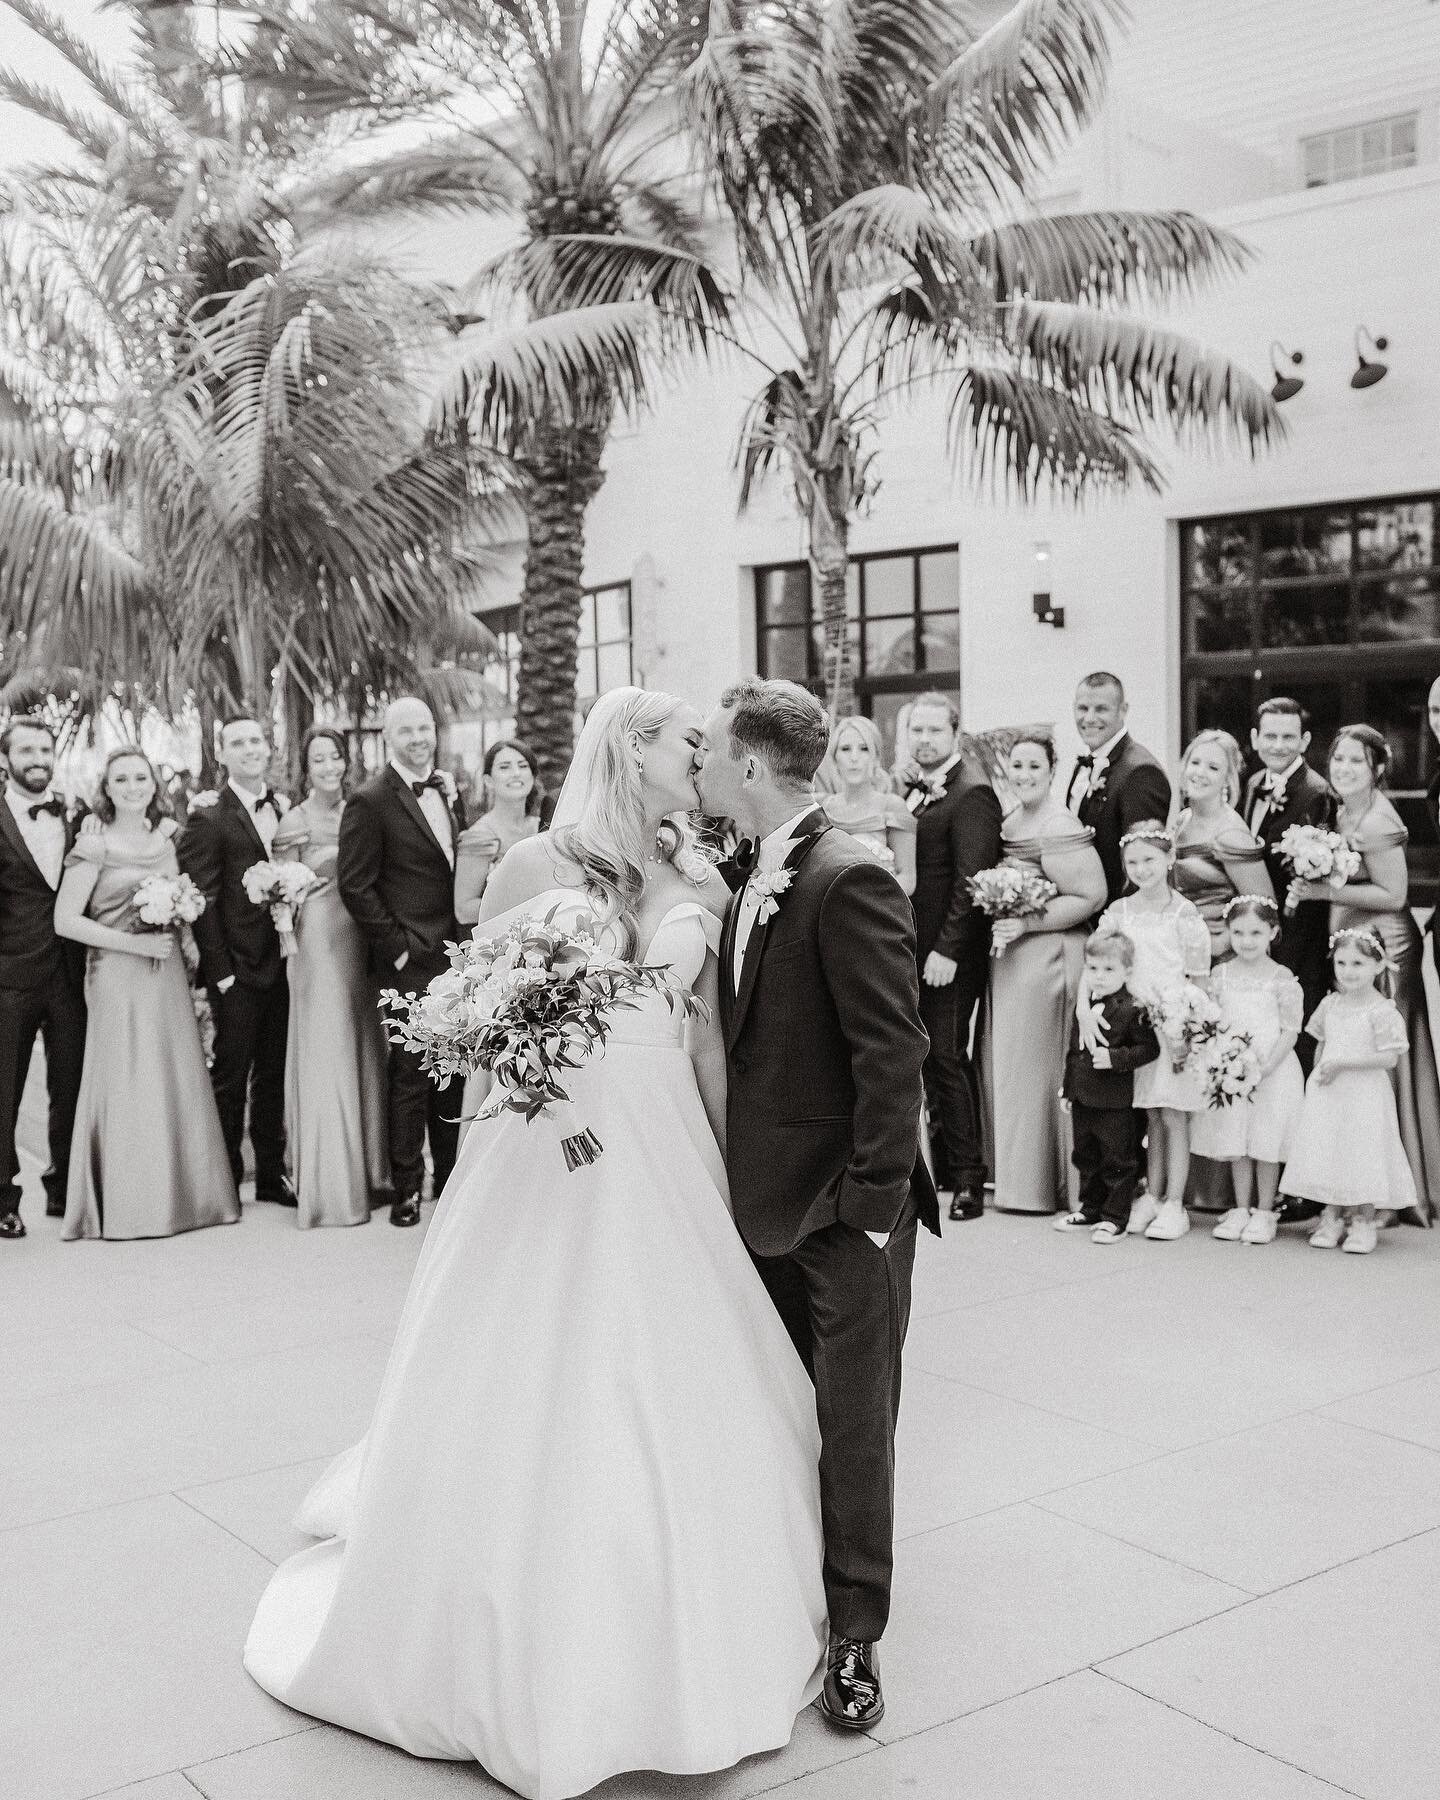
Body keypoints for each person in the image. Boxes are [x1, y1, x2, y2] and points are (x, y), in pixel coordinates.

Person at [246, 687, 829, 1799]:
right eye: (683, 742)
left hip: (662, 1149)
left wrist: (731, 1161)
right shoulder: (527, 865)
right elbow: (478, 1022)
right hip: (551, 1151)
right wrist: (541, 1127)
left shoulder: (697, 869)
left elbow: (700, 1028)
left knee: (669, 1365)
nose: (700, 757)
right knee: (534, 1360)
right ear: (631, 747)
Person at [697, 676, 937, 1733]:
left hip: (843, 1217)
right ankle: (794, 1592)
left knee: (854, 1428)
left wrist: (872, 1210)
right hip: (764, 1210)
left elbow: (897, 1056)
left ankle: (857, 1635)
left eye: (709, 753)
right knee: (786, 1414)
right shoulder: (749, 871)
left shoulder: (849, 876)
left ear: (750, 765)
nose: (699, 767)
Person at [55, 748, 239, 1240]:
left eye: (142, 777)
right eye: (122, 779)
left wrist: (182, 917)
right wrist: (132, 943)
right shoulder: (93, 844)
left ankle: (185, 1198)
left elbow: (186, 896)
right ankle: (129, 1205)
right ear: (107, 788)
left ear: (154, 785)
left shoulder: (166, 840)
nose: (133, 786)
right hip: (117, 972)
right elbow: (66, 920)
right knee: (126, 1079)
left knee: (172, 1074)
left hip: (166, 972)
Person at [1288, 725, 1439, 1223]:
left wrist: (1323, 892)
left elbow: (1395, 896)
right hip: (1354, 944)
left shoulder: (1377, 820)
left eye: (1356, 761)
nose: (1344, 768)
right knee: (1353, 1059)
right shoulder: (1341, 811)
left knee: (1381, 1060)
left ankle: (1393, 1195)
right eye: (1338, 759)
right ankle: (1355, 1185)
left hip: (1385, 949)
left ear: (1377, 769)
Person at [337, 697, 467, 1227]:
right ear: (389, 738)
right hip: (409, 959)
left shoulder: (446, 788)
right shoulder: (369, 800)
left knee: (453, 1071)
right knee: (411, 1075)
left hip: (456, 954)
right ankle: (407, 1188)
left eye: (425, 728)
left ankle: (450, 1178)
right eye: (406, 731)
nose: (418, 738)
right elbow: (355, 884)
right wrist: (397, 947)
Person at [272, 728, 389, 1228]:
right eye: (317, 758)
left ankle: (371, 1169)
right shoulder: (293, 820)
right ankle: (329, 1180)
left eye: (335, 756)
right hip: (318, 940)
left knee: (366, 1041)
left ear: (347, 761)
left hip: (363, 935)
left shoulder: (363, 807)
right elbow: (280, 893)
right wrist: (287, 940)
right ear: (306, 766)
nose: (327, 765)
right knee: (328, 1046)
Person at [178, 716, 296, 1209]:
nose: (250, 749)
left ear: (268, 749)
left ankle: (271, 1175)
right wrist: (221, 972)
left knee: (271, 1076)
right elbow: (201, 898)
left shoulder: (286, 808)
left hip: (282, 965)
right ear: (221, 754)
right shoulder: (208, 817)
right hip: (237, 973)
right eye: (238, 742)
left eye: (257, 740)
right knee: (230, 1077)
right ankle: (225, 1178)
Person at [987, 734, 1107, 1213]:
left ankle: (1050, 1184)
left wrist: (1027, 921)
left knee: (1040, 1069)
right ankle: (1017, 1183)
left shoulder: (1059, 825)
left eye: (1034, 765)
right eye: (1017, 765)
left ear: (1052, 769)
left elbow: (1090, 895)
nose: (1024, 774)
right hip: (1013, 959)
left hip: (1049, 956)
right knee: (1013, 1067)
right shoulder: (1011, 819)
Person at [901, 691, 1002, 1220]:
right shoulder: (913, 793)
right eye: (916, 729)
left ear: (955, 735)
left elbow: (972, 880)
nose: (923, 739)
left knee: (946, 1058)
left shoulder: (972, 794)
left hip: (948, 956)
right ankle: (938, 1168)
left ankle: (968, 1179)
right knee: (924, 1059)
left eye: (933, 731)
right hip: (910, 950)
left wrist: (946, 949)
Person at [1096, 822, 1212, 1241]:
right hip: (1134, 1028)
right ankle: (1154, 1194)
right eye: (1133, 862)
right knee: (1148, 1111)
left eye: (1149, 860)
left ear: (1169, 860)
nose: (1141, 869)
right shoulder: (1118, 913)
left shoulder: (1184, 915)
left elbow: (1198, 980)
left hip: (1173, 1025)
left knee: (1173, 1113)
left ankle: (1175, 1202)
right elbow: (1102, 965)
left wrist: (1191, 1031)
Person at [0, 716, 86, 1238]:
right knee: (3, 1093)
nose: (38, 759)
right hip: (8, 977)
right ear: (4, 760)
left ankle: (64, 1188)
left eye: (45, 749)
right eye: (26, 750)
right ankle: (4, 1198)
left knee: (71, 1086)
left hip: (71, 975)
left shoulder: (76, 817)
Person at [1281, 927, 1417, 1254]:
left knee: (1362, 1151)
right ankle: (1332, 1214)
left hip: (1364, 1093)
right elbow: (1321, 1044)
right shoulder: (1331, 1004)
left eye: (1357, 963)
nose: (1348, 971)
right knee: (1331, 1148)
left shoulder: (1382, 1010)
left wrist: (1344, 1064)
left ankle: (1363, 1220)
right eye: (1341, 963)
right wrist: (1318, 1077)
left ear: (1378, 965)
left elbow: (1390, 1057)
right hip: (1330, 1092)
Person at [1191, 896, 1305, 1245]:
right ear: (1228, 933)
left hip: (1272, 1071)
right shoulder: (1220, 975)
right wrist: (1219, 1058)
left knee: (1266, 1141)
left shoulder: (1281, 977)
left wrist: (1269, 1064)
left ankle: (1265, 1210)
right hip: (1232, 1071)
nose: (1247, 940)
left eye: (1256, 932)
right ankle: (1241, 1207)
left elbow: (1290, 1028)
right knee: (1237, 1138)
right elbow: (1211, 1021)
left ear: (1273, 932)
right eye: (1238, 932)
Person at [1243, 697, 1336, 1070]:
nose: (1278, 745)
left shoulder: (1317, 792)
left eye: (1288, 736)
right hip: (1255, 933)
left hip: (1301, 937)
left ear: (1305, 740)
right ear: (1254, 738)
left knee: (1293, 1038)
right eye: (1270, 736)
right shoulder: (1252, 783)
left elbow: (1324, 870)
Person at [1057, 930, 1160, 1243]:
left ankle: (1115, 1218)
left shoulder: (1133, 1009)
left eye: (1109, 969)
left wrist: (1116, 1058)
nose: (1099, 977)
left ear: (1127, 971)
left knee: (1117, 1159)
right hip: (1083, 1096)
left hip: (1115, 1102)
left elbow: (1149, 1049)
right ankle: (1090, 1208)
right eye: (1093, 969)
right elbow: (1074, 1051)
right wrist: (1067, 1088)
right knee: (1085, 1155)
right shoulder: (1085, 1006)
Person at [1065, 672, 1173, 906]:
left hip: (1117, 912)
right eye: (1082, 708)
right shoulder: (1084, 764)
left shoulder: (1141, 773)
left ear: (1123, 710)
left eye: (1101, 709)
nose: (1089, 718)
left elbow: (1143, 862)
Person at [1172, 730, 1275, 957]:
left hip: (1220, 955)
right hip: (1183, 946)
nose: (1200, 772)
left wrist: (1222, 942)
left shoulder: (1230, 833)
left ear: (1227, 779)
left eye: (1213, 767)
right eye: (1195, 762)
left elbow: (1264, 906)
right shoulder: (1183, 820)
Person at [821, 716, 916, 894]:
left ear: (876, 757)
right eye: (845, 749)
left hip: (878, 911)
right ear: (834, 758)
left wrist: (865, 897)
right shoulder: (825, 809)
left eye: (864, 749)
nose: (854, 758)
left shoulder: (892, 806)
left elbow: (908, 879)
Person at [454, 739, 544, 926]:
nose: (516, 773)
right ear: (488, 781)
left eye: (523, 765)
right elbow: (463, 910)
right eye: (505, 767)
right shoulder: (479, 836)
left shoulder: (542, 828)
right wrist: (530, 907)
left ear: (533, 776)